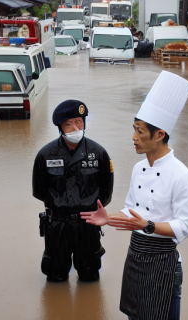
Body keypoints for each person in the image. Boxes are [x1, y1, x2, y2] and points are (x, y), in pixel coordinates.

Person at [81, 71, 188, 320]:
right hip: (135, 257)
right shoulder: (138, 168)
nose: (134, 137)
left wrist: (148, 225)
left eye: (140, 131)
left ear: (159, 135)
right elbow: (132, 210)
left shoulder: (182, 176)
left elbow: (184, 227)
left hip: (163, 265)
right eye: (134, 129)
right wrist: (109, 218)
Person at [32, 100, 114, 282]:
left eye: (79, 122)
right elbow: (39, 191)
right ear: (60, 128)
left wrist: (90, 208)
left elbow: (106, 191)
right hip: (57, 225)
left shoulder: (98, 153)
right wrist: (61, 207)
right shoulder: (45, 155)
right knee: (55, 275)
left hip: (88, 224)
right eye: (68, 124)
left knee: (89, 275)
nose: (75, 128)